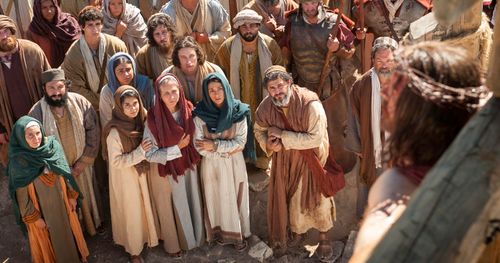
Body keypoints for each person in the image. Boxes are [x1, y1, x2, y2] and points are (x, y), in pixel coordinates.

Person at [350, 42, 489, 262]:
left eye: (396, 88)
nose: (385, 92)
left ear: (421, 108)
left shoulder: (394, 187)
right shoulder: (481, 162)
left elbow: (375, 246)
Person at [254, 66, 338, 261]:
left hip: (313, 159)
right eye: (272, 88)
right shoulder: (266, 107)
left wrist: (282, 136)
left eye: (280, 86)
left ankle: (324, 239)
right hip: (285, 161)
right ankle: (297, 235)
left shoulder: (310, 104)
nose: (277, 91)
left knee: (319, 199)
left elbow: (316, 138)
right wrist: (268, 143)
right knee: (292, 198)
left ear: (289, 83)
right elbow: (259, 129)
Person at [283, 0, 358, 175]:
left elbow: (350, 50)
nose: (309, 8)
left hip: (330, 86)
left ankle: (338, 164)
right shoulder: (292, 23)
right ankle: (309, 167)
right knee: (306, 127)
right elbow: (286, 51)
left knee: (334, 128)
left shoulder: (334, 22)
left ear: (319, 3)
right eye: (306, 5)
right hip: (302, 85)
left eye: (312, 4)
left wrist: (338, 47)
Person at [29, 68, 102, 236]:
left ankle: (93, 226)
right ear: (44, 89)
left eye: (59, 87)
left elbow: (93, 132)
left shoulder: (81, 103)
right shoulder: (37, 112)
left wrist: (83, 162)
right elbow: (36, 146)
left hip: (82, 166)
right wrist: (59, 167)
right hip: (58, 172)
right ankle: (76, 234)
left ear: (66, 86)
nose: (56, 93)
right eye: (51, 88)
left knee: (88, 198)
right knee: (66, 206)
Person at [8, 116, 89, 263]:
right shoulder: (19, 161)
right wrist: (34, 217)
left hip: (63, 203)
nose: (36, 138)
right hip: (41, 211)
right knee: (51, 244)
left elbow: (65, 173)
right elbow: (21, 197)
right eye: (30, 135)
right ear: (21, 137)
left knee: (69, 236)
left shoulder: (52, 147)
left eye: (38, 133)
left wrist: (71, 195)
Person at [216, 9, 285, 169]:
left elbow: (280, 70)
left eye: (253, 26)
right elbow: (218, 75)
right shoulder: (227, 47)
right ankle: (243, 161)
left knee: (262, 127)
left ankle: (262, 160)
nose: (248, 29)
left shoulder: (269, 45)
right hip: (237, 102)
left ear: (258, 26)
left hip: (264, 101)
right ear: (238, 27)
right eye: (244, 26)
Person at [144, 72, 203, 255]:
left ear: (180, 90)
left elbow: (198, 138)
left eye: (174, 91)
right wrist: (177, 148)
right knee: (176, 207)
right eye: (166, 93)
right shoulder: (153, 119)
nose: (171, 97)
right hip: (170, 172)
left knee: (193, 200)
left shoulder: (189, 110)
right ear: (159, 96)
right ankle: (179, 244)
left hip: (189, 167)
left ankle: (197, 237)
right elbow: (150, 155)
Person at [193, 72, 253, 251]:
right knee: (215, 198)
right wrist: (224, 151)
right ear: (206, 92)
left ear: (226, 88)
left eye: (220, 88)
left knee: (236, 198)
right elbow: (200, 147)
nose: (216, 93)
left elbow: (240, 143)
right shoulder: (199, 116)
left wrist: (216, 145)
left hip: (235, 165)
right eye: (211, 90)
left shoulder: (239, 112)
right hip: (212, 166)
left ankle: (239, 237)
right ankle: (218, 235)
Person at [102, 85, 158, 263]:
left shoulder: (143, 120)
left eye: (135, 103)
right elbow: (116, 162)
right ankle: (134, 250)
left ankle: (149, 238)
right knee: (132, 213)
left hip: (142, 174)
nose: (133, 108)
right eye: (127, 105)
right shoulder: (114, 132)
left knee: (145, 208)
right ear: (119, 107)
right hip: (126, 178)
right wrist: (140, 152)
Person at [347, 37, 398, 187]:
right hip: (370, 150)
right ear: (372, 60)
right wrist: (357, 146)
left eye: (389, 61)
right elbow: (352, 116)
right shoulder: (361, 85)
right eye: (380, 61)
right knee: (370, 190)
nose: (384, 66)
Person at [0, 15, 50, 168]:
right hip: (11, 125)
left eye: (6, 31)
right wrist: (0, 129)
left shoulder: (32, 51)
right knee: (23, 169)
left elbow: (49, 83)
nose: (4, 36)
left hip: (41, 120)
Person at [61, 5, 128, 112]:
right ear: (82, 27)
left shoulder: (116, 45)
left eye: (98, 24)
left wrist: (119, 96)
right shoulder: (73, 54)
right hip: (90, 107)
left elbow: (127, 73)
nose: (95, 29)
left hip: (120, 101)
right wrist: (104, 100)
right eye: (90, 25)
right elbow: (76, 87)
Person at [161, 0, 231, 62]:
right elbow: (162, 43)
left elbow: (226, 32)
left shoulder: (212, 6)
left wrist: (209, 38)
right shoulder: (168, 11)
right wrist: (184, 42)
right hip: (180, 67)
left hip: (211, 64)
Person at [163, 36, 225, 104]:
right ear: (177, 58)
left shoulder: (214, 71)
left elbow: (227, 98)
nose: (188, 62)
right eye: (183, 57)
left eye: (191, 56)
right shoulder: (168, 75)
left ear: (197, 55)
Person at [99, 52, 154, 128]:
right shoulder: (107, 92)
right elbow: (107, 121)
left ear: (133, 69)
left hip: (146, 127)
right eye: (121, 71)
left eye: (128, 69)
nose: (126, 74)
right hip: (120, 132)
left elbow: (153, 109)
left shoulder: (144, 84)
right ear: (113, 73)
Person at [27, 0, 81, 68]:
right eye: (44, 8)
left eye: (51, 6)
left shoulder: (70, 22)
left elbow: (80, 44)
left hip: (74, 69)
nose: (49, 11)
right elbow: (33, 59)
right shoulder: (34, 30)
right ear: (38, 9)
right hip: (50, 74)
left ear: (56, 6)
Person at [136, 13, 176, 81]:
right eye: (157, 34)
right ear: (152, 36)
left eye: (164, 32)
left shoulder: (181, 49)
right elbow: (141, 82)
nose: (162, 37)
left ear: (170, 32)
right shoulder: (143, 55)